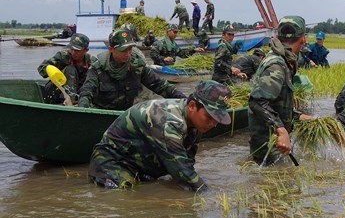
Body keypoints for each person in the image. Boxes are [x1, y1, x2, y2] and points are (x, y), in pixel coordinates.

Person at [88, 80, 232, 191]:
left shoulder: (195, 122)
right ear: (192, 106)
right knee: (126, 196)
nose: (213, 124)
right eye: (209, 117)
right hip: (113, 163)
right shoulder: (167, 122)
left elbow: (187, 161)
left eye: (217, 119)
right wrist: (209, 195)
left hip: (141, 165)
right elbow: (183, 171)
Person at [248, 15, 315, 166]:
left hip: (276, 142)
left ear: (278, 36)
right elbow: (257, 101)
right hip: (268, 144)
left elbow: (276, 104)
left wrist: (299, 116)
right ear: (303, 38)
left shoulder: (285, 60)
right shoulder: (277, 65)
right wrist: (281, 130)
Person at [78, 29, 186, 110]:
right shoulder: (98, 68)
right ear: (111, 49)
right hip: (102, 113)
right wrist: (83, 110)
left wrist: (186, 100)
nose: (128, 54)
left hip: (124, 115)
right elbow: (86, 92)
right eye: (123, 50)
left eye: (130, 49)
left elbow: (160, 85)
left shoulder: (137, 66)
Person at [37, 33, 97, 104]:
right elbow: (41, 68)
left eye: (77, 50)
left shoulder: (92, 62)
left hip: (80, 93)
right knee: (70, 69)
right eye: (72, 49)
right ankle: (67, 102)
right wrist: (52, 70)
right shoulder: (63, 56)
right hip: (57, 91)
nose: (74, 52)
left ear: (86, 50)